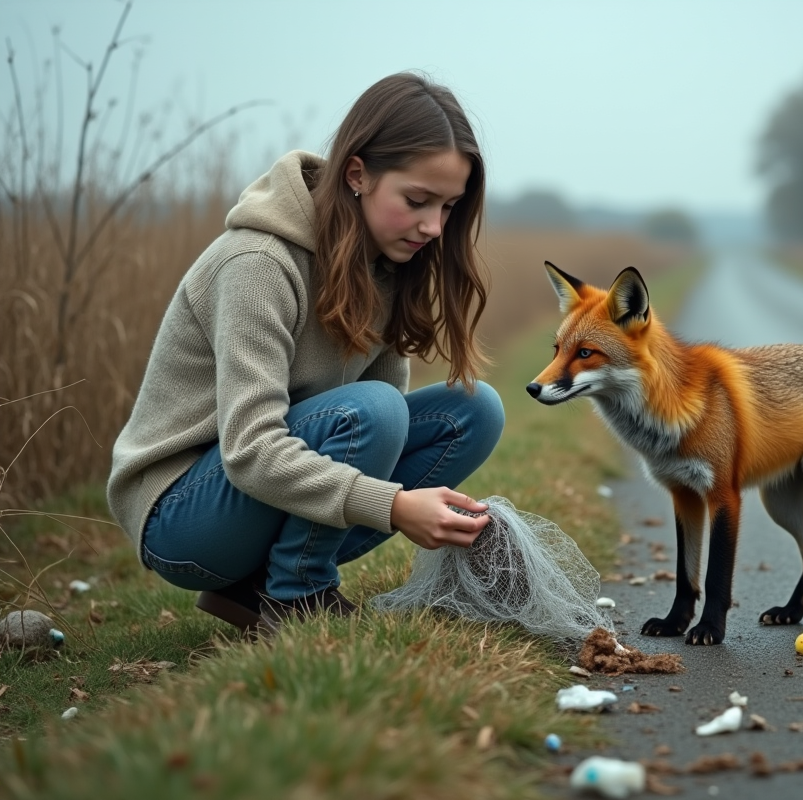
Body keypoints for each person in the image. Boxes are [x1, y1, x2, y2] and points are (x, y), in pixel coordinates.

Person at [106, 73, 505, 636]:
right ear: (357, 174)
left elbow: (378, 435)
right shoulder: (257, 264)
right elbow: (249, 450)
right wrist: (394, 506)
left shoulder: (387, 265)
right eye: (417, 201)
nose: (434, 227)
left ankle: (268, 585)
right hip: (182, 519)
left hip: (257, 497)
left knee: (474, 411)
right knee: (376, 409)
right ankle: (296, 594)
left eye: (448, 207)